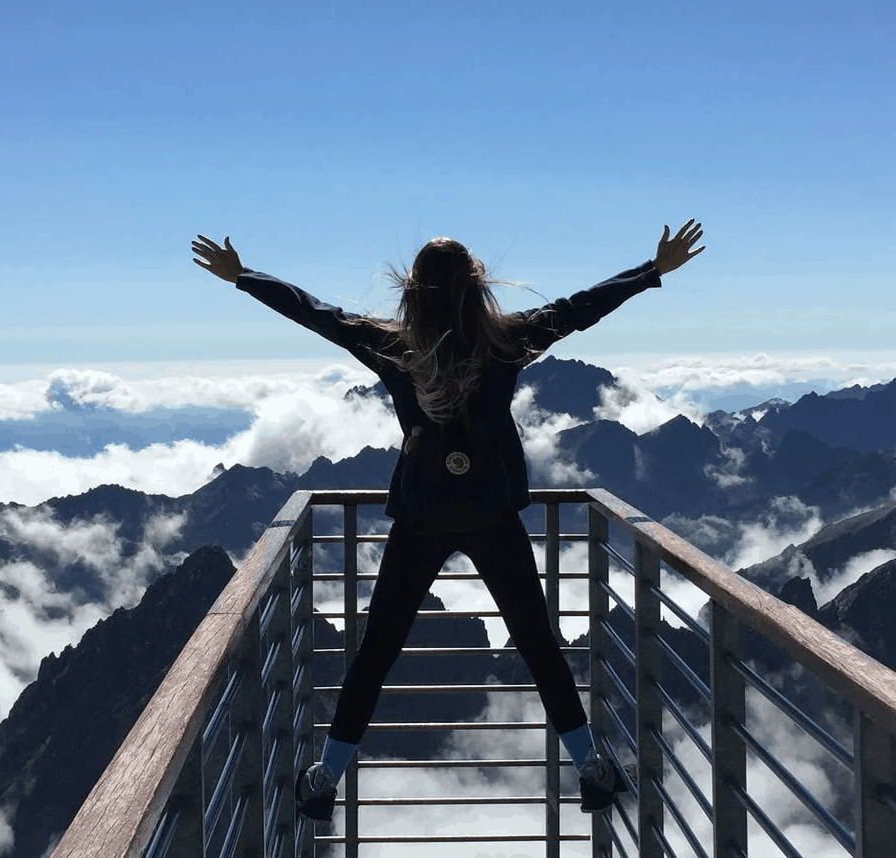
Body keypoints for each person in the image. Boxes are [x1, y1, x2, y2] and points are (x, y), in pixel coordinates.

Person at [191, 221, 704, 818]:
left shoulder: (392, 346)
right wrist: (652, 270)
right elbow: (580, 308)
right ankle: (590, 766)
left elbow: (318, 314)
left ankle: (326, 776)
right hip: (491, 514)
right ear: (477, 285)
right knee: (538, 644)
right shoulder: (508, 341)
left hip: (423, 515)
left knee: (378, 647)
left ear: (413, 290)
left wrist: (244, 277)